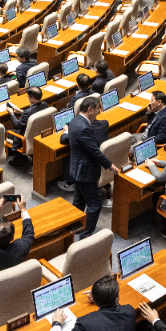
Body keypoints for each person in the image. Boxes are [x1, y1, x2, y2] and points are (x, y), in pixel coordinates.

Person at [63, 97, 119, 237]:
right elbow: (94, 151)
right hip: (85, 171)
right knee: (95, 205)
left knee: (79, 200)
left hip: (77, 168)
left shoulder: (75, 120)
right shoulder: (83, 128)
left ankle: (74, 225)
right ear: (90, 109)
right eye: (97, 108)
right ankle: (85, 235)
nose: (99, 111)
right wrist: (110, 165)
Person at [49, 275, 135, 331]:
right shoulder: (129, 311)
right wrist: (103, 295)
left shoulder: (86, 324)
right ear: (116, 297)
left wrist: (57, 324)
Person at [7, 87, 48, 163]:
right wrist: (21, 112)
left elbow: (17, 125)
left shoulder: (28, 112)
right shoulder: (45, 104)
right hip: (38, 133)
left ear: (32, 98)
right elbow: (34, 114)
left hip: (24, 137)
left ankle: (17, 157)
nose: (28, 98)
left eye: (28, 96)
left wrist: (11, 113)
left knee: (6, 132)